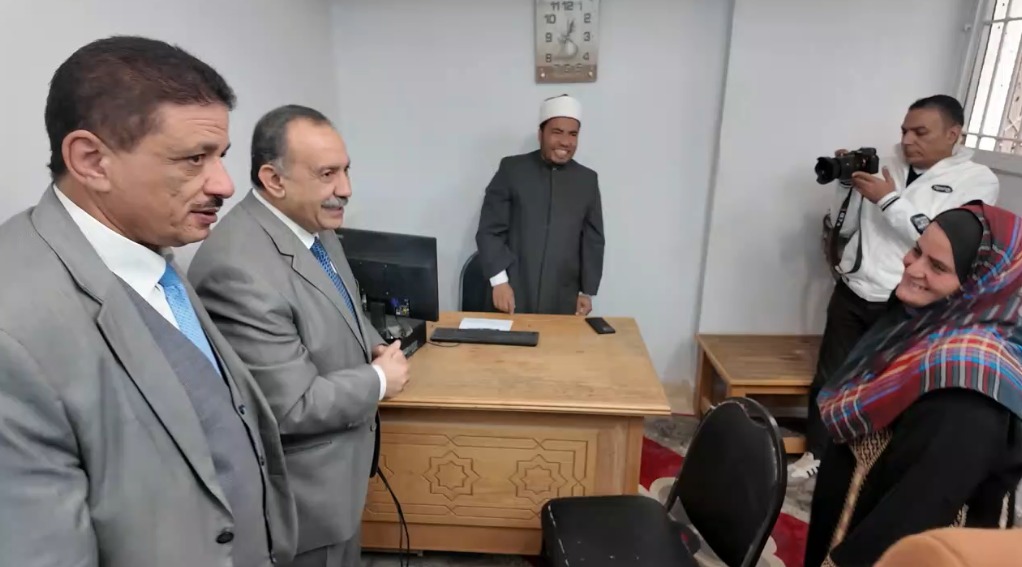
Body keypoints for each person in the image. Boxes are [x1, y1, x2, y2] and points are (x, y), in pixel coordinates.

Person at [0, 36, 297, 566]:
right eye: (193, 159)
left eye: (220, 156)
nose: (225, 184)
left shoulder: (151, 252)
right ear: (92, 160)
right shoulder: (14, 328)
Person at [189, 104, 411, 567]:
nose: (345, 189)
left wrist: (373, 342)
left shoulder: (313, 224)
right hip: (305, 503)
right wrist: (379, 380)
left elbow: (344, 303)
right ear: (274, 180)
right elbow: (289, 407)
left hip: (340, 482)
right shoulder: (238, 269)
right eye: (328, 174)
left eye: (346, 170)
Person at [792, 94, 1001, 479]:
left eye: (920, 132)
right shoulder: (885, 165)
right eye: (904, 130)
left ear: (953, 134)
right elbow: (846, 225)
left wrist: (888, 199)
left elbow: (940, 242)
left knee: (892, 384)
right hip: (855, 288)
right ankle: (817, 455)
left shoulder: (977, 181)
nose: (907, 140)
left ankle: (875, 466)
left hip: (910, 300)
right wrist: (846, 186)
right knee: (831, 377)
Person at [804, 202, 1022, 567]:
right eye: (917, 250)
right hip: (855, 517)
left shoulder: (970, 387)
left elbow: (916, 512)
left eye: (938, 267)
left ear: (981, 282)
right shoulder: (923, 322)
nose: (913, 267)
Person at [475, 94, 605, 315]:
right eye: (557, 132)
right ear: (540, 134)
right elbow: (489, 230)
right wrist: (499, 282)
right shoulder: (512, 170)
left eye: (573, 134)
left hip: (563, 298)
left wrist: (586, 292)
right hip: (511, 292)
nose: (565, 142)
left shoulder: (587, 180)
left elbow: (593, 241)